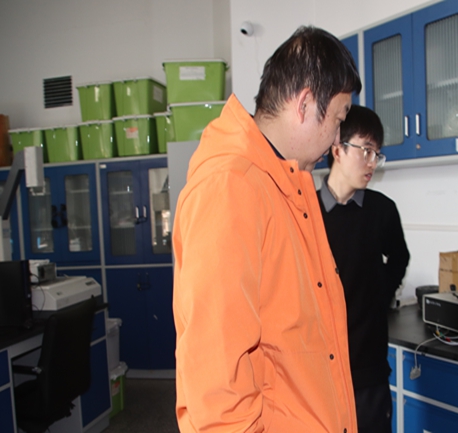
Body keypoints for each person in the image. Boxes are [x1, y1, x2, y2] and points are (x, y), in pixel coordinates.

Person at [172, 26, 362, 432]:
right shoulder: (231, 187)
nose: (336, 139)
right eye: (338, 119)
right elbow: (217, 389)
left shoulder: (289, 184)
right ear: (305, 104)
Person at [318, 105, 410, 433]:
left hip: (369, 373)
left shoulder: (382, 211)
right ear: (337, 149)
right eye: (366, 150)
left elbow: (399, 257)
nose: (373, 162)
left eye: (377, 154)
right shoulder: (307, 213)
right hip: (320, 377)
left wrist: (378, 297)